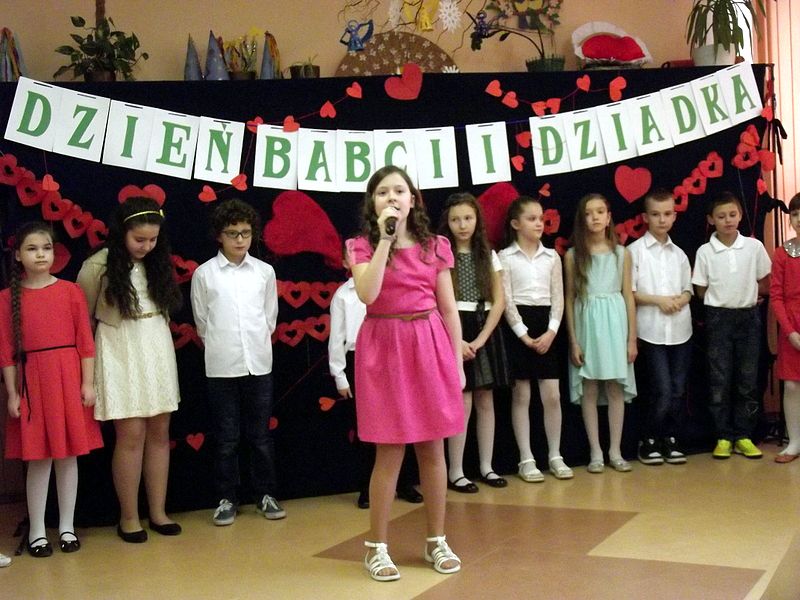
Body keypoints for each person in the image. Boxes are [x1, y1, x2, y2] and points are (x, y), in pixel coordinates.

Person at [347, 165, 463, 582]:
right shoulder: (361, 245)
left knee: (433, 449)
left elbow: (448, 309)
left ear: (413, 199)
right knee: (390, 451)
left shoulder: (436, 246)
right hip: (384, 348)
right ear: (372, 203)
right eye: (383, 192)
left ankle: (436, 539)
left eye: (399, 190)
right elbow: (368, 293)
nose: (392, 197)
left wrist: (455, 363)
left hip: (428, 345)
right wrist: (385, 240)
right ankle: (376, 548)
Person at [77, 197, 183, 543]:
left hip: (156, 342)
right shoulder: (98, 265)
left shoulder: (158, 261)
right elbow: (82, 319)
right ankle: (129, 517)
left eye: (153, 239)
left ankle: (158, 512)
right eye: (139, 239)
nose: (146, 246)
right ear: (122, 232)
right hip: (119, 345)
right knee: (131, 434)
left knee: (160, 431)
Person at [1, 222, 103, 557]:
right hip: (33, 383)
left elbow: (85, 342)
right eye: (32, 249)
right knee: (39, 459)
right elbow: (6, 352)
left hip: (67, 378)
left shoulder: (71, 291)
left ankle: (67, 527)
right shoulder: (7, 299)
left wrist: (87, 383)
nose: (41, 255)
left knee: (67, 456)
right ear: (18, 255)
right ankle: (37, 531)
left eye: (46, 248)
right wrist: (13, 393)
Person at [191, 199, 285, 525]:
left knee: (260, 436)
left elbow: (269, 317)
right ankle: (226, 498)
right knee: (226, 438)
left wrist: (254, 344)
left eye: (246, 232)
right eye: (233, 233)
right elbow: (202, 323)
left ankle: (265, 494)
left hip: (258, 363)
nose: (240, 239)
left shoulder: (264, 272)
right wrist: (224, 346)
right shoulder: (204, 274)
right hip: (221, 365)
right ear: (220, 235)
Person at [328, 249, 424, 509]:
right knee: (367, 429)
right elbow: (336, 339)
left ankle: (405, 483)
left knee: (403, 422)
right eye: (354, 256)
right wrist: (340, 375)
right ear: (345, 262)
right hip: (358, 358)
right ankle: (367, 488)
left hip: (392, 355)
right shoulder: (343, 295)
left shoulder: (389, 286)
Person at [438, 192, 511, 493]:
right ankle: (456, 471)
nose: (462, 225)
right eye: (455, 219)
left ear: (477, 219)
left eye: (468, 218)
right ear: (447, 223)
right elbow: (439, 303)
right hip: (453, 327)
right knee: (462, 400)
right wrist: (457, 342)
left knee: (485, 400)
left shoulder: (488, 254)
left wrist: (479, 340)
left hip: (483, 328)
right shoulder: (442, 254)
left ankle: (486, 466)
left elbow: (499, 301)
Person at [498, 196, 573, 482]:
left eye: (541, 218)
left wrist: (551, 331)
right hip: (519, 327)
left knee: (552, 394)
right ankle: (526, 458)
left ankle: (555, 454)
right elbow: (506, 299)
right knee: (522, 395)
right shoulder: (505, 257)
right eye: (531, 219)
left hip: (547, 327)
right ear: (516, 224)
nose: (539, 223)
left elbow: (558, 298)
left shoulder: (552, 257)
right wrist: (523, 334)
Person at [692, 192, 771, 459]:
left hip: (748, 317)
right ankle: (723, 436)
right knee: (719, 378)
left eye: (733, 215)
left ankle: (744, 435)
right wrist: (723, 299)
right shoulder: (705, 251)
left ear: (740, 215)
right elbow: (700, 289)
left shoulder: (753, 246)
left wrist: (749, 296)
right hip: (718, 319)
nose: (728, 220)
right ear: (711, 220)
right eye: (721, 216)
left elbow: (765, 282)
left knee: (747, 379)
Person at [565, 193, 637, 474]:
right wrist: (573, 341)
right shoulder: (573, 256)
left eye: (599, 212)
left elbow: (628, 296)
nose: (594, 217)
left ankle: (615, 450)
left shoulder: (622, 254)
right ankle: (595, 451)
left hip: (615, 323)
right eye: (588, 213)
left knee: (615, 386)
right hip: (587, 325)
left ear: (608, 218)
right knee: (590, 387)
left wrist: (631, 338)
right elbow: (569, 299)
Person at [629, 190, 692, 466]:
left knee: (677, 389)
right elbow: (630, 293)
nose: (662, 220)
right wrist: (659, 301)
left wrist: (682, 299)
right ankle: (649, 438)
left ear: (675, 216)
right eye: (655, 214)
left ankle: (671, 438)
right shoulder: (635, 251)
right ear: (645, 217)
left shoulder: (679, 254)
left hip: (680, 330)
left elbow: (689, 289)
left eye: (667, 214)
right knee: (662, 389)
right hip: (651, 330)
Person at [772, 193, 800, 463]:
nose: (799, 219)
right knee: (792, 385)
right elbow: (776, 296)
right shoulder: (782, 253)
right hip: (791, 327)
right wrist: (790, 332)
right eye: (795, 214)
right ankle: (794, 441)